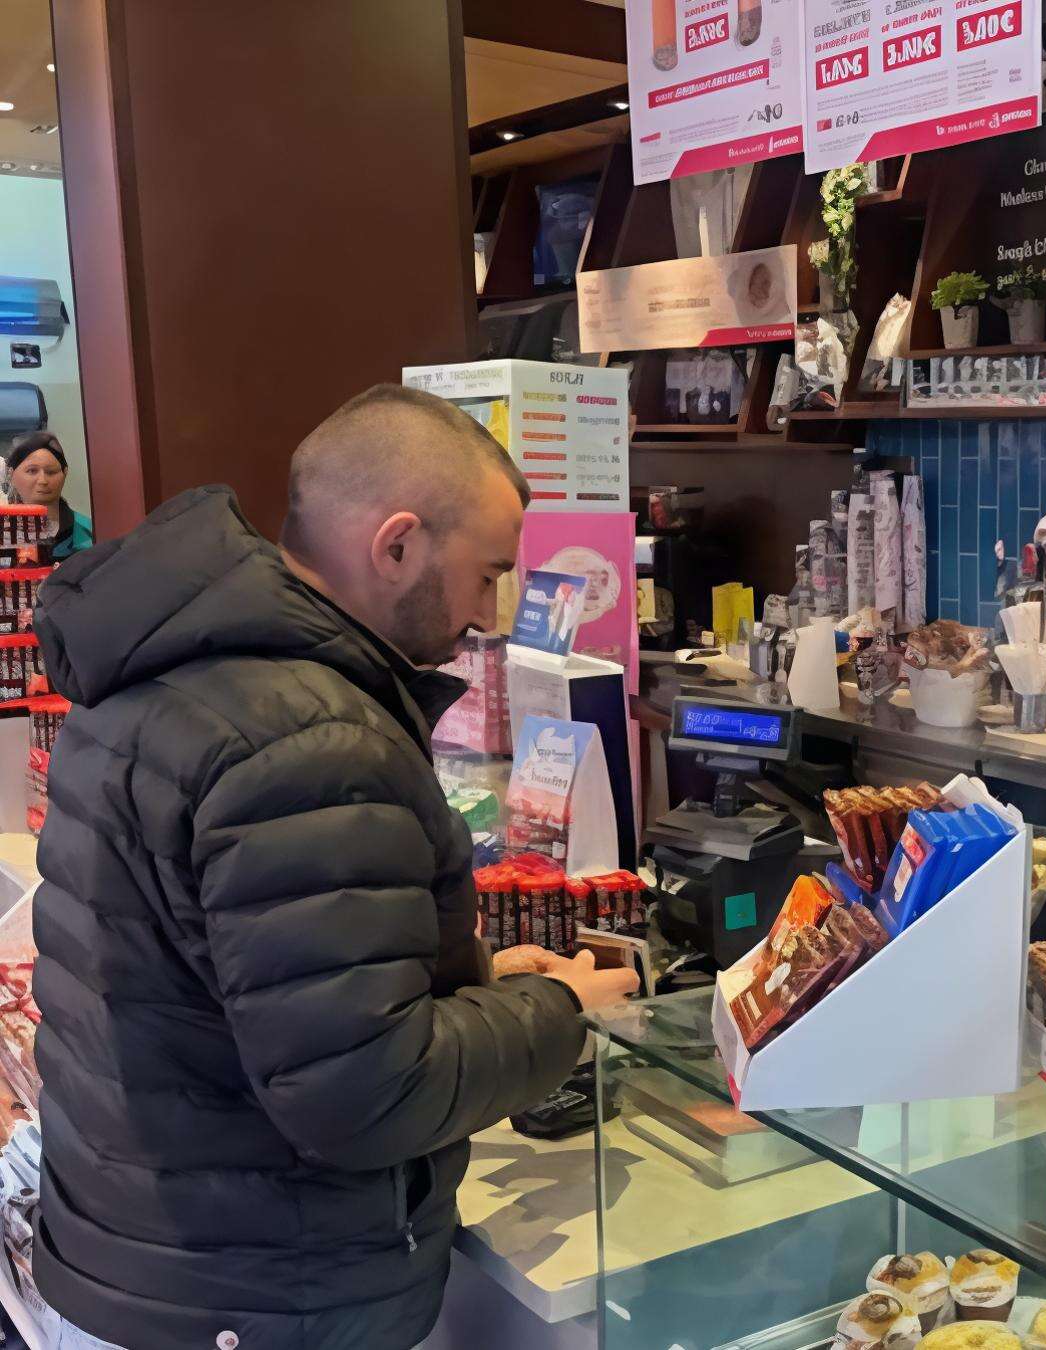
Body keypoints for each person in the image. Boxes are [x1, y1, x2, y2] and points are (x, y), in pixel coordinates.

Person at [30, 384, 638, 1350]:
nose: (488, 616)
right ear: (395, 544)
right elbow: (363, 1094)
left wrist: (470, 989)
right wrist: (559, 1014)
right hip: (253, 1300)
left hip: (144, 1260)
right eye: (485, 576)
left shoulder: (172, 670)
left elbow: (234, 992)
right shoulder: (311, 740)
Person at [5, 431, 91, 560]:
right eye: (32, 471)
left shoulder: (90, 532)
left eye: (51, 472)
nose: (43, 481)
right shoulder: (4, 532)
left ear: (65, 473)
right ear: (11, 475)